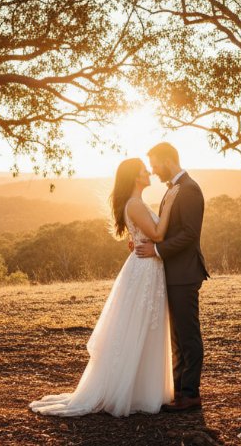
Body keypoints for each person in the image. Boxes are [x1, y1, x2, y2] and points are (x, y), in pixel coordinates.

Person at [29, 157, 180, 417]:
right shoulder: (134, 204)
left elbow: (147, 234)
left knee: (145, 326)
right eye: (145, 170)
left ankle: (142, 389)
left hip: (148, 268)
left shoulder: (136, 203)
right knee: (139, 325)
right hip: (144, 270)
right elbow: (157, 235)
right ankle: (128, 390)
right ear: (135, 176)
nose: (149, 173)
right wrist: (170, 205)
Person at [134, 142, 209, 412]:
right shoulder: (174, 190)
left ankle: (190, 394)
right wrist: (142, 240)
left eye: (154, 163)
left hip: (185, 274)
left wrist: (155, 249)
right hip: (172, 272)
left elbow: (189, 234)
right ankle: (179, 392)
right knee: (177, 337)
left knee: (188, 336)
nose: (153, 170)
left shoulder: (189, 190)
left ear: (167, 160)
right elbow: (164, 229)